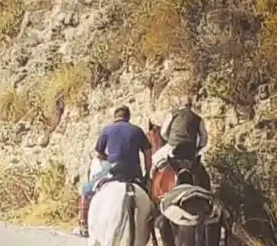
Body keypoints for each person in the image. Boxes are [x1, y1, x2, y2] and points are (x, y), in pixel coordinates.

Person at [72, 106, 152, 237]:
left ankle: (84, 225)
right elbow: (148, 153)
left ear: (115, 117)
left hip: (113, 170)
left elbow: (99, 154)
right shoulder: (137, 131)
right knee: (150, 196)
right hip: (133, 172)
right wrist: (147, 173)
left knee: (87, 190)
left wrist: (106, 161)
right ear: (128, 117)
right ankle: (152, 226)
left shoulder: (107, 130)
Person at [152, 96, 210, 190]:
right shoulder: (198, 119)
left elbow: (163, 132)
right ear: (191, 105)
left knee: (153, 161)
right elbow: (204, 138)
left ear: (180, 104)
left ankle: (149, 187)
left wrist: (170, 140)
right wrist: (198, 148)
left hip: (173, 148)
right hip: (190, 151)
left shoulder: (173, 114)